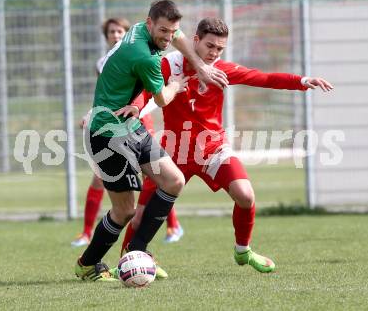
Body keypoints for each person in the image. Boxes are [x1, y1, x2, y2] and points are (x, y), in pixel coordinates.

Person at [119, 17, 334, 275]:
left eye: (220, 49)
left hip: (213, 148)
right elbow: (147, 89)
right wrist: (136, 105)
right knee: (140, 215)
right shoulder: (170, 64)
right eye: (210, 46)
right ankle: (129, 262)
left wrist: (301, 81)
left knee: (245, 195)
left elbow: (262, 78)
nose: (214, 53)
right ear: (195, 40)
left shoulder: (221, 70)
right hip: (175, 151)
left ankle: (243, 250)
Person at [74, 1, 229, 282]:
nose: (168, 38)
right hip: (106, 135)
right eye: (162, 31)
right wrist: (176, 85)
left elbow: (180, 37)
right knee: (125, 211)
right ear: (148, 23)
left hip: (129, 126)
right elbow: (161, 99)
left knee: (174, 181)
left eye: (171, 31)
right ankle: (87, 264)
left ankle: (138, 252)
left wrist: (200, 68)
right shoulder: (144, 56)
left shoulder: (142, 30)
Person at [71, 17, 184, 248]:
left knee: (159, 178)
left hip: (137, 124)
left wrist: (141, 106)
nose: (116, 35)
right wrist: (91, 114)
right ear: (106, 36)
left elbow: (153, 95)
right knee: (107, 184)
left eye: (119, 31)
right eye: (112, 32)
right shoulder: (104, 62)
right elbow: (109, 95)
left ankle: (171, 226)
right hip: (112, 129)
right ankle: (87, 234)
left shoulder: (144, 54)